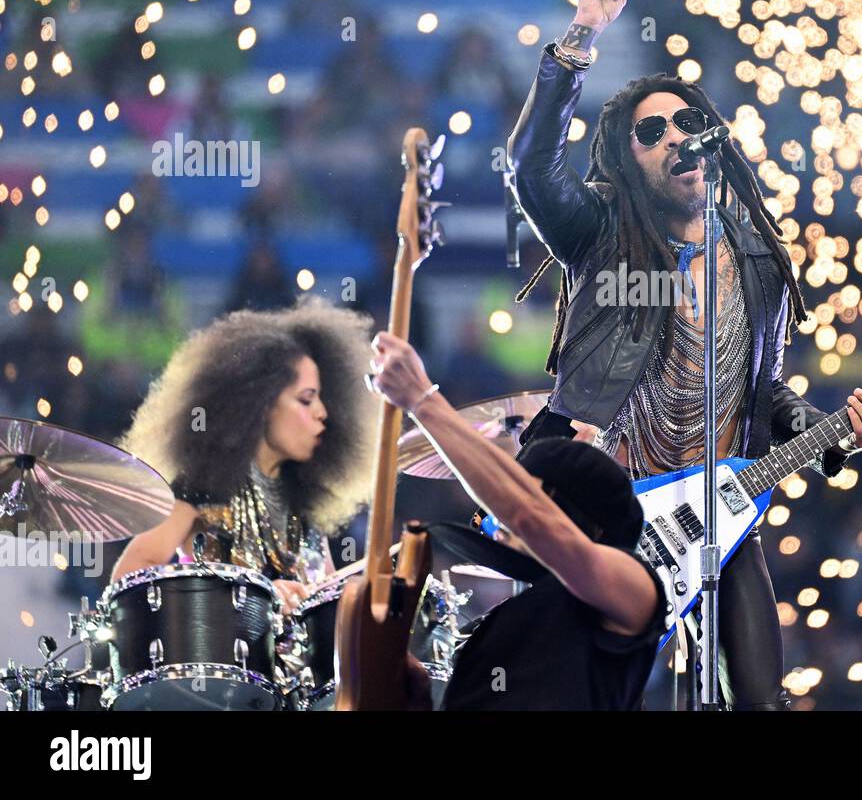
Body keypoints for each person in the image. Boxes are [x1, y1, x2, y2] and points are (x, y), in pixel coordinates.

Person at [506, 0, 862, 709]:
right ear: (628, 157)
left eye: (688, 123)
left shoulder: (758, 260)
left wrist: (826, 427)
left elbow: (765, 390)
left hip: (715, 512)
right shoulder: (599, 230)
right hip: (607, 506)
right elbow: (530, 170)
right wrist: (583, 32)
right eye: (651, 132)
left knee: (760, 700)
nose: (675, 138)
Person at [367, 331, 668, 710]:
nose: (511, 512)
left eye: (534, 492)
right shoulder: (507, 621)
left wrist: (421, 400)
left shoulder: (635, 590)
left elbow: (529, 516)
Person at [111, 298, 378, 613]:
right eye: (306, 400)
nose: (323, 412)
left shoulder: (304, 498)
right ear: (260, 404)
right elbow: (130, 575)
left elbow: (325, 599)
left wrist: (352, 598)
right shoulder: (203, 485)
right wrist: (254, 599)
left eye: (321, 398)